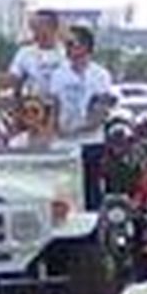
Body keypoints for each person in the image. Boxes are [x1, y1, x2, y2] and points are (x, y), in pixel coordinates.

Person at [49, 25, 113, 208]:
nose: (68, 49)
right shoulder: (59, 74)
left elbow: (101, 110)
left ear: (85, 47)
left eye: (72, 44)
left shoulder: (101, 75)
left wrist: (80, 128)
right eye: (66, 45)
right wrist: (56, 131)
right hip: (64, 143)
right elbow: (54, 106)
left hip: (91, 141)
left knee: (91, 188)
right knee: (65, 190)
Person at [3, 9, 65, 101]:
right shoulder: (24, 53)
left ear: (53, 28)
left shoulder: (66, 54)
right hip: (32, 108)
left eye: (39, 27)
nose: (34, 32)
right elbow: (14, 80)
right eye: (33, 28)